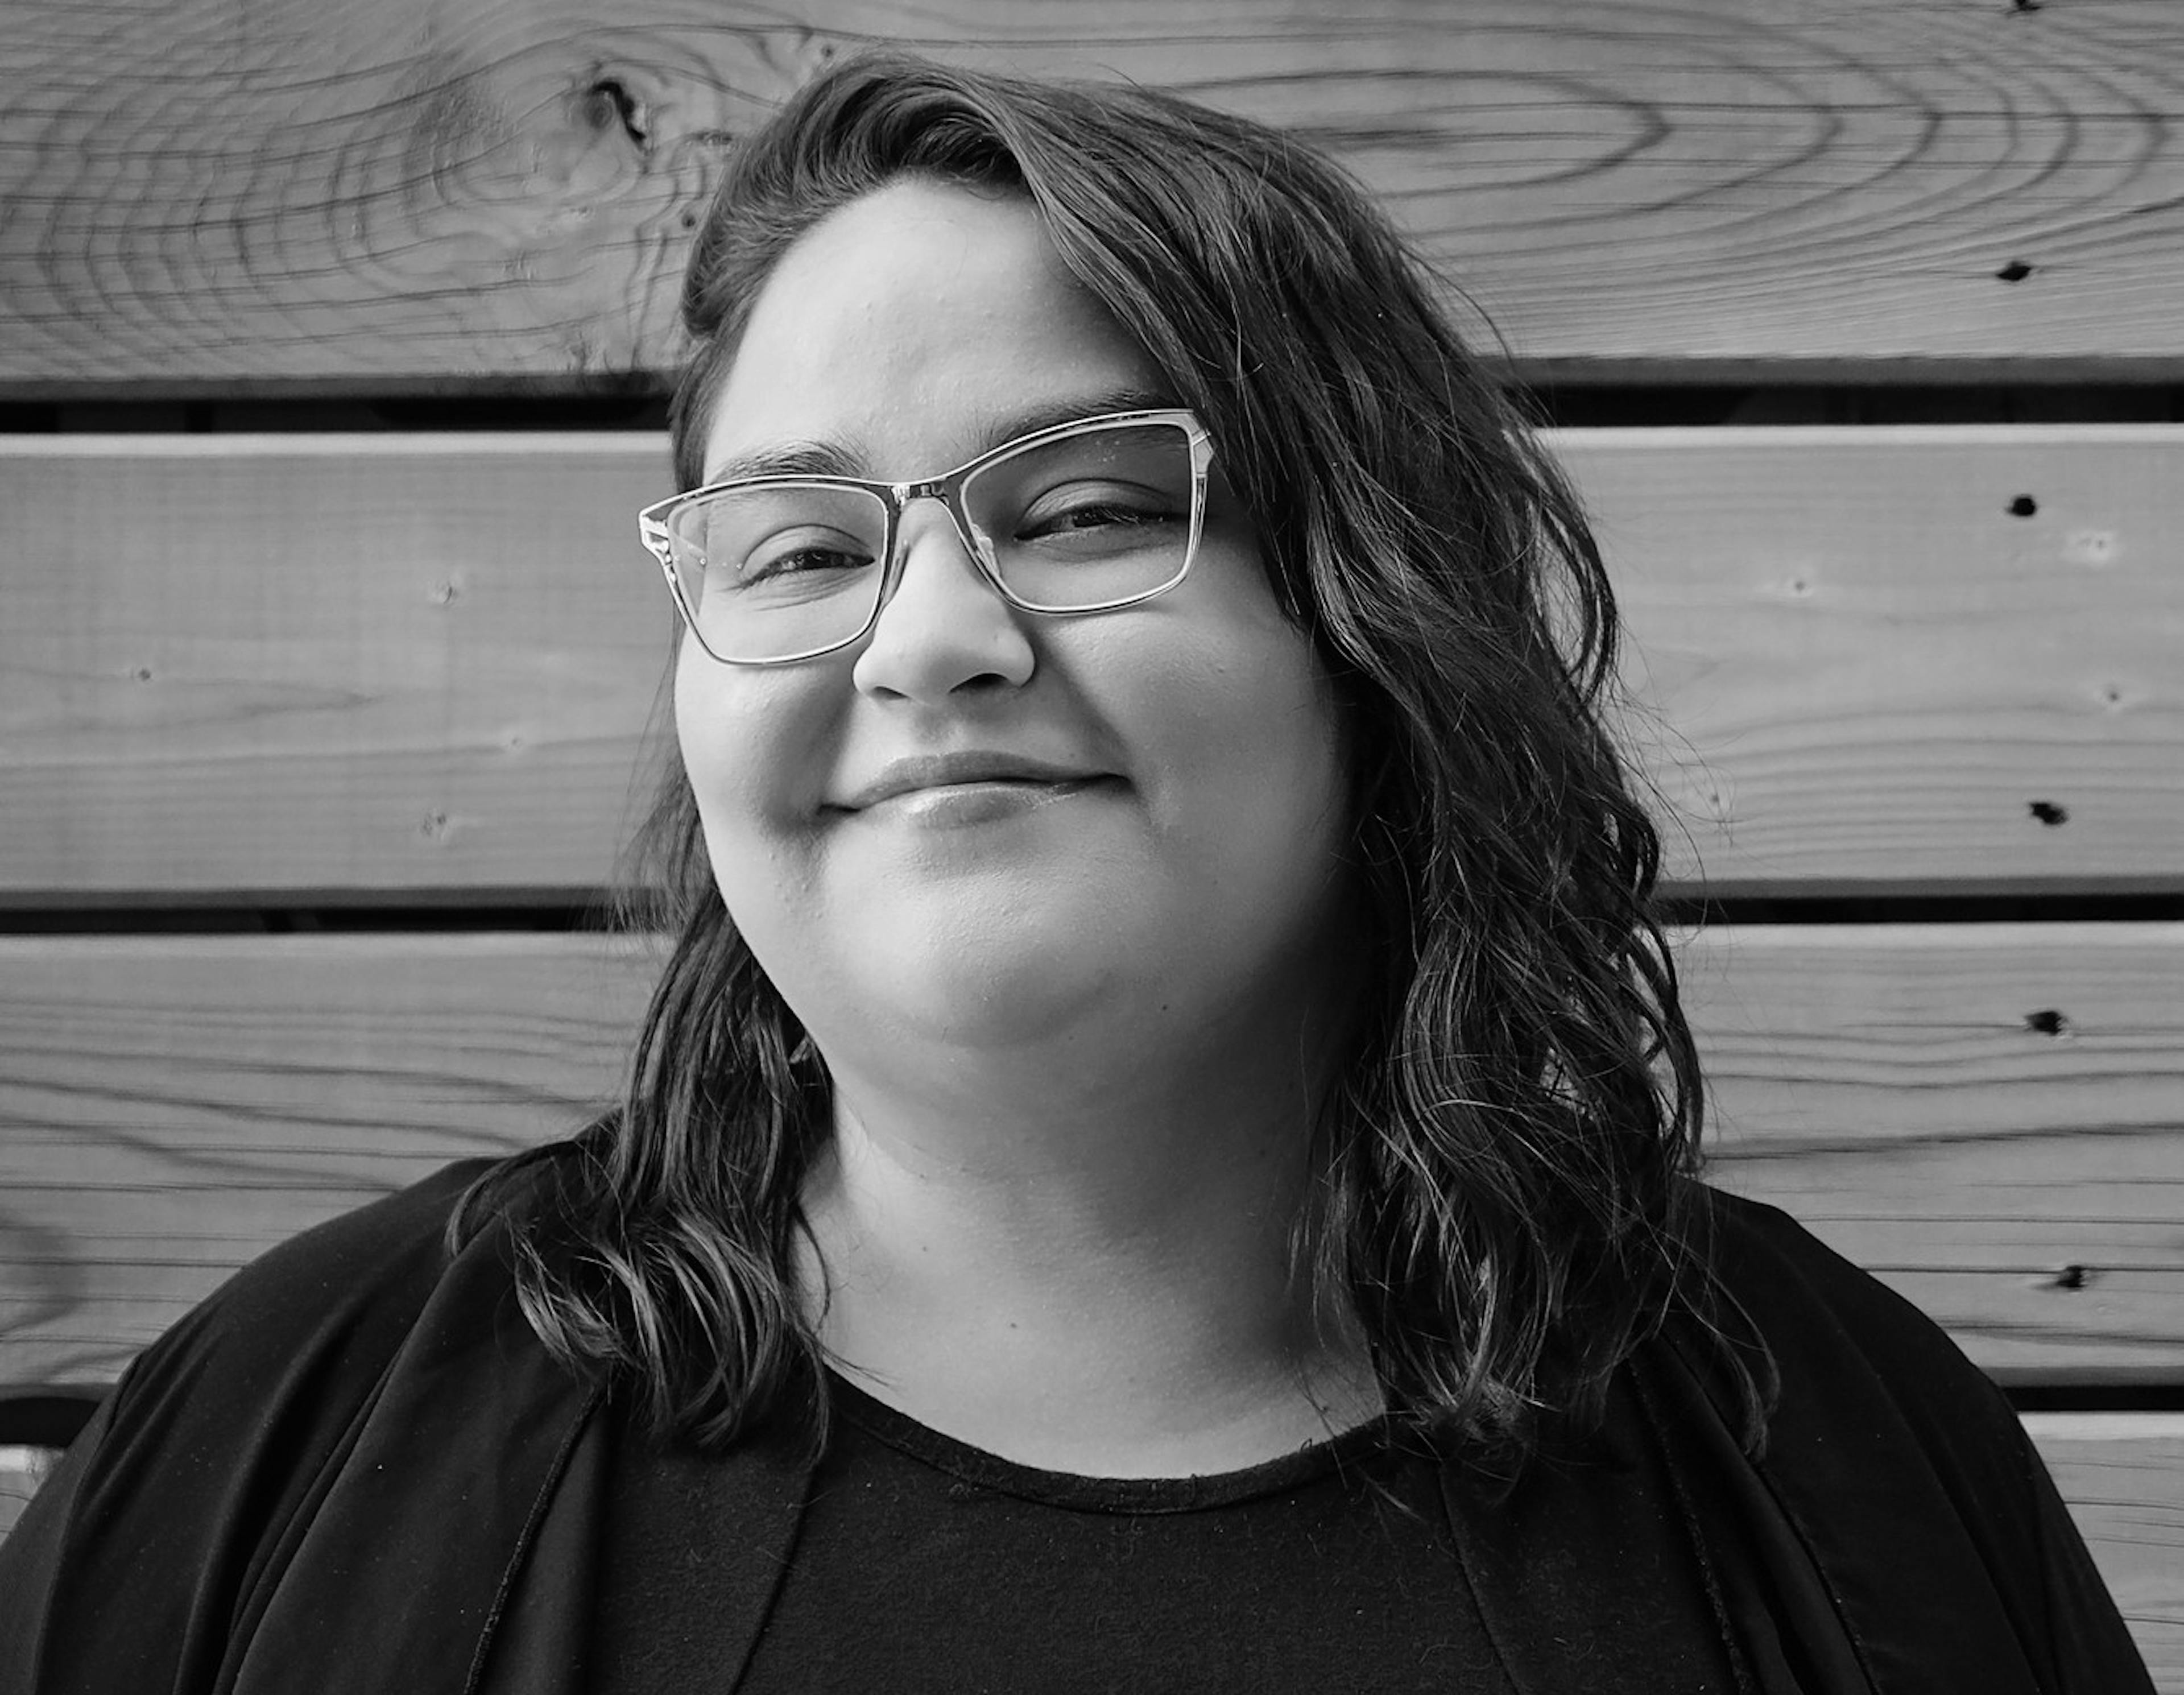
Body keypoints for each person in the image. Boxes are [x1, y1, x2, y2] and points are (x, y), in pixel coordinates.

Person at [0, 51, 2152, 1695]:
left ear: (1377, 626)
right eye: (803, 548)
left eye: (1094, 507)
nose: (927, 637)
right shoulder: (295, 1436)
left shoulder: (1836, 1459)